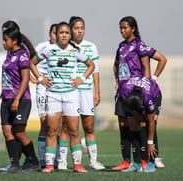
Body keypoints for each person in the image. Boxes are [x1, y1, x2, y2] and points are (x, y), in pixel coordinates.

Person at [30, 21, 95, 173]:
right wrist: (40, 78)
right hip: (52, 96)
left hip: (71, 95)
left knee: (73, 130)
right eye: (61, 32)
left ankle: (77, 164)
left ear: (69, 35)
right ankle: (49, 165)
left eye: (66, 33)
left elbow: (91, 65)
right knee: (52, 130)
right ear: (56, 34)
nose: (64, 35)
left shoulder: (75, 51)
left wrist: (82, 79)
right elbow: (32, 63)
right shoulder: (48, 49)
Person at [112, 16, 167, 171]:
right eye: (120, 28)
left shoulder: (139, 45)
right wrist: (118, 81)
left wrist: (151, 80)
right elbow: (116, 65)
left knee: (147, 123)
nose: (122, 31)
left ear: (133, 29)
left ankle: (151, 159)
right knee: (129, 125)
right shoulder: (121, 46)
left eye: (125, 28)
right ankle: (134, 162)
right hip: (124, 92)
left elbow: (158, 61)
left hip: (139, 92)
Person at [57, 16, 105, 171]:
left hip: (86, 91)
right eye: (76, 28)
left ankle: (93, 161)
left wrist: (97, 91)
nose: (79, 31)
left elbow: (95, 69)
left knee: (89, 127)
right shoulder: (65, 46)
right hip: (69, 91)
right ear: (71, 30)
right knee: (66, 127)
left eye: (82, 28)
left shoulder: (91, 47)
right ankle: (62, 162)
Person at [0, 27, 40, 173]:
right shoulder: (9, 54)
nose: (3, 43)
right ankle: (14, 164)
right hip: (6, 98)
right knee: (7, 130)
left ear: (14, 41)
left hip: (21, 99)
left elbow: (25, 79)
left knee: (19, 132)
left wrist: (17, 99)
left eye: (6, 40)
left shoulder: (22, 55)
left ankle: (34, 162)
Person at [117, 76, 159, 173]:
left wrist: (150, 143)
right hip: (133, 99)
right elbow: (122, 103)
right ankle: (137, 163)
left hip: (155, 94)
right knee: (134, 125)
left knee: (149, 124)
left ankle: (151, 163)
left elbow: (151, 121)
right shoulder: (123, 91)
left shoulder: (148, 97)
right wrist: (135, 114)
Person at [31, 23, 57, 168]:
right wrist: (37, 78)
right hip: (43, 89)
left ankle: (57, 158)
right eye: (54, 33)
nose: (56, 35)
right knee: (45, 123)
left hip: (58, 89)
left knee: (57, 125)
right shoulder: (41, 47)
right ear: (50, 34)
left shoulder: (64, 49)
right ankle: (42, 158)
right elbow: (29, 62)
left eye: (58, 33)